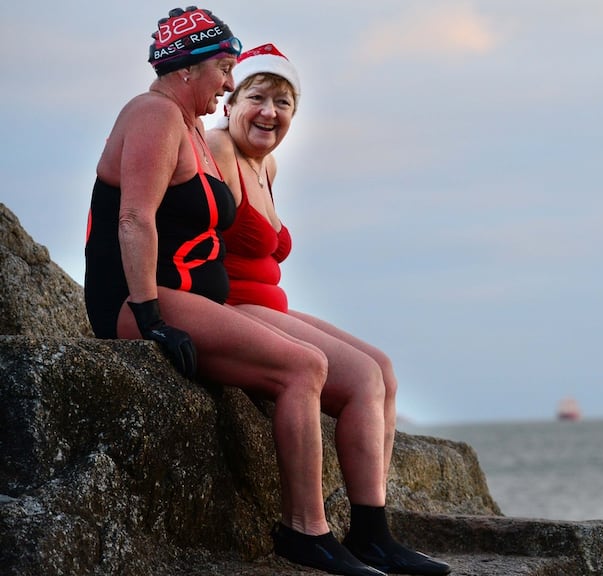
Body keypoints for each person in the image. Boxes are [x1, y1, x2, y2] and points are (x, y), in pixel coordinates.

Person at [82, 8, 439, 576]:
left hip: (188, 297)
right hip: (136, 300)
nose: (228, 83)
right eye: (225, 69)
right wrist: (150, 317)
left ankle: (371, 535)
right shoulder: (153, 114)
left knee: (363, 371)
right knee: (303, 366)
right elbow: (134, 218)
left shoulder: (187, 124)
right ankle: (306, 532)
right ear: (188, 67)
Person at [203, 44, 450, 576]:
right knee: (360, 377)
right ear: (229, 102)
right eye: (257, 97)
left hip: (268, 303)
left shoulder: (266, 164)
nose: (269, 112)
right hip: (228, 305)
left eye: (283, 102)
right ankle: (311, 531)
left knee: (381, 369)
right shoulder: (217, 147)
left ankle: (372, 533)